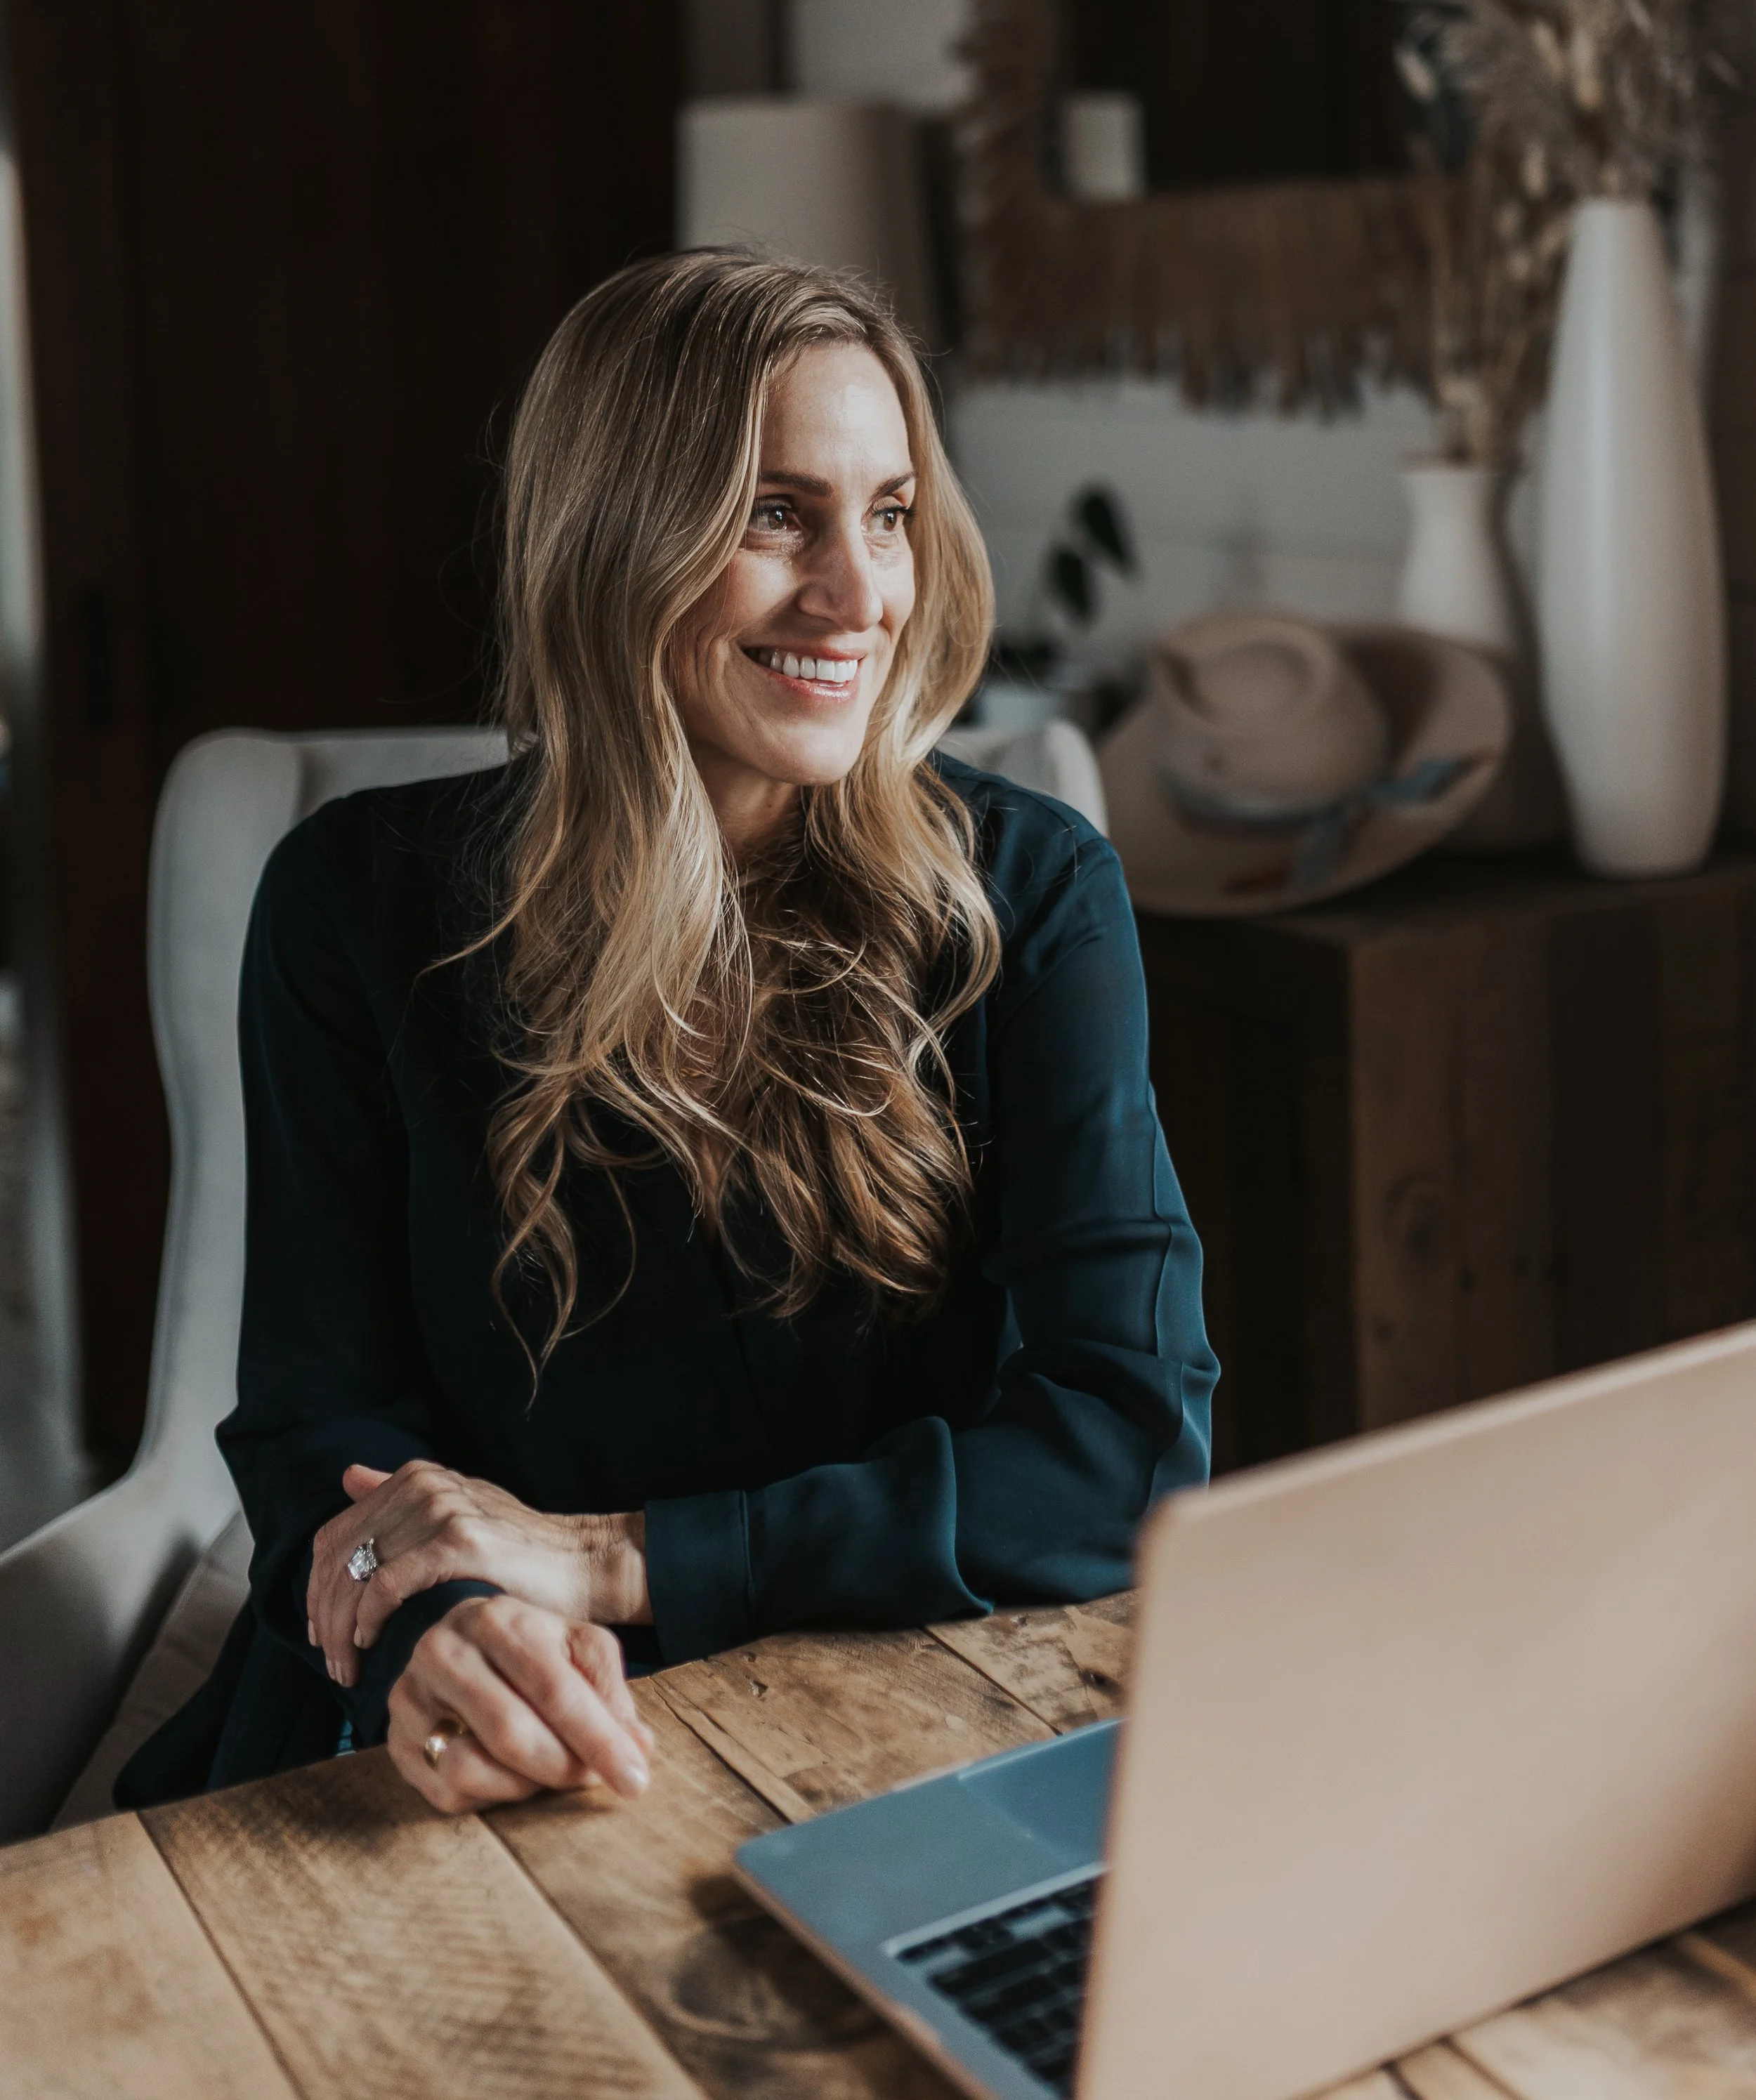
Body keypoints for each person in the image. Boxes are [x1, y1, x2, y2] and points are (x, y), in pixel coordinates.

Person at [119, 251, 1216, 1818]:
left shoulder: (1029, 894)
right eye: (777, 513)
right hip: (495, 1730)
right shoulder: (351, 904)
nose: (858, 597)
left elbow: (1128, 1444)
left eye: (889, 513)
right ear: (611, 540)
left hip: (901, 1703)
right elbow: (319, 1420)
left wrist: (607, 1558)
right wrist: (450, 1621)